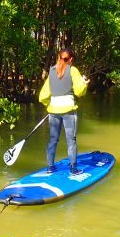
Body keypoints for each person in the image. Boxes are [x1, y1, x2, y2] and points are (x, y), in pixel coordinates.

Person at [38, 48, 88, 176]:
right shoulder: (72, 70)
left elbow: (43, 96)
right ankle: (73, 169)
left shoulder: (52, 70)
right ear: (71, 59)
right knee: (71, 140)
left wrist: (49, 106)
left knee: (53, 139)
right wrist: (85, 83)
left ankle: (50, 167)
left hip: (53, 110)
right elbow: (79, 92)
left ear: (59, 58)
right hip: (68, 111)